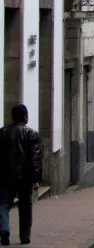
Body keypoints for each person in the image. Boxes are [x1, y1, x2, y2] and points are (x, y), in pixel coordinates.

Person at [0, 104, 42, 246]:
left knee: (3, 204)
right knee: (25, 205)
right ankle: (25, 236)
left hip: (5, 175)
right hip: (24, 177)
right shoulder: (31, 134)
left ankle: (4, 229)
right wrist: (36, 179)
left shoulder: (2, 132)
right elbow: (35, 159)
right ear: (25, 117)